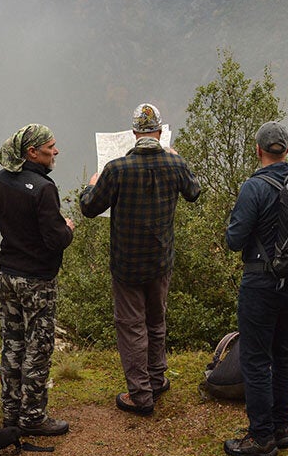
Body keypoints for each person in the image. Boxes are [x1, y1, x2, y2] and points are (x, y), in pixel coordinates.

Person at [79, 102, 201, 416]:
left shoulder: (116, 169)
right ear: (160, 132)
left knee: (131, 325)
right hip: (161, 260)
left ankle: (140, 395)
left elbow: (90, 208)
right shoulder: (173, 165)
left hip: (127, 263)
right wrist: (178, 158)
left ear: (134, 134)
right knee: (156, 320)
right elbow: (194, 191)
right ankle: (157, 380)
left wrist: (90, 185)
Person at [223, 121, 288, 456]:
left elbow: (234, 240)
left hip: (259, 282)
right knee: (285, 355)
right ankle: (281, 429)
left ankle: (261, 438)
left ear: (258, 151)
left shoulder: (253, 189)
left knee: (257, 360)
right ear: (287, 149)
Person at [0, 124, 74, 437]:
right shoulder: (43, 188)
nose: (56, 151)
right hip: (36, 279)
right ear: (32, 152)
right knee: (38, 346)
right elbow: (55, 240)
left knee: (12, 343)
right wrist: (68, 228)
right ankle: (34, 417)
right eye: (50, 147)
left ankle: (11, 412)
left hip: (7, 273)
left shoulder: (0, 179)